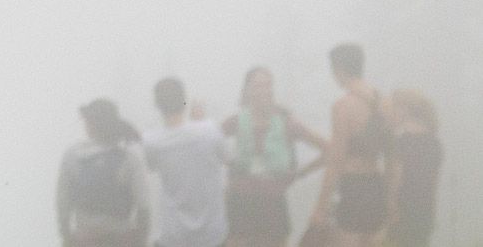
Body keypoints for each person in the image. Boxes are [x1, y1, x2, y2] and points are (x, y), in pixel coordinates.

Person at [221, 66, 326, 247]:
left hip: (273, 201)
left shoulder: (287, 122)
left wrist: (301, 173)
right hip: (240, 201)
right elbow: (207, 143)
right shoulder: (237, 121)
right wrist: (228, 162)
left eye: (268, 85)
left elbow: (329, 149)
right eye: (257, 86)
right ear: (246, 90)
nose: (263, 91)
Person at [313, 43, 393, 247]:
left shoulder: (343, 106)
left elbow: (336, 160)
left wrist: (321, 207)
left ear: (339, 69)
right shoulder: (384, 102)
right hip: (377, 186)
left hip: (353, 188)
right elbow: (391, 155)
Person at [143, 76, 230, 247]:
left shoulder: (151, 141)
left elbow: (152, 166)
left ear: (158, 106)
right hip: (212, 235)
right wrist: (200, 121)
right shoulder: (210, 130)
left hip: (172, 235)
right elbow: (226, 158)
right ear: (185, 101)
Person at [60, 99, 149, 247]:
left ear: (90, 125)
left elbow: (63, 202)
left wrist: (66, 236)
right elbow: (143, 206)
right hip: (122, 238)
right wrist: (141, 240)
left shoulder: (73, 156)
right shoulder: (129, 158)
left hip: (85, 238)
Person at [383, 88, 440, 247]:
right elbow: (433, 185)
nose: (391, 113)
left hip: (402, 213)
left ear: (404, 109)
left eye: (394, 108)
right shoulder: (434, 143)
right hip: (424, 213)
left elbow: (396, 180)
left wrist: (391, 209)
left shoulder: (401, 143)